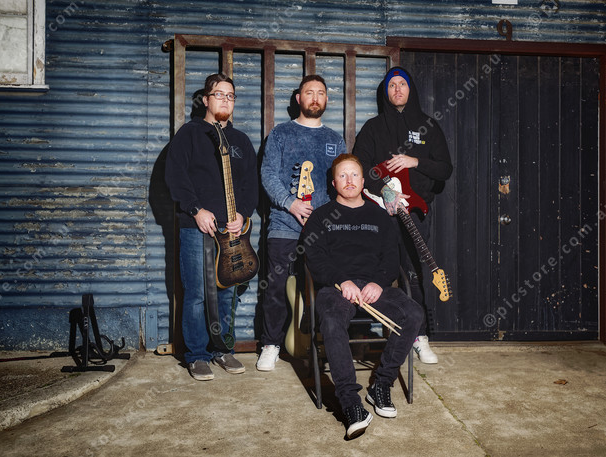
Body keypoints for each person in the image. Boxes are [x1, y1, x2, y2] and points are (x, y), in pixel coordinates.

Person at [303, 154, 423, 439]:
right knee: (332, 321)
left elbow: (392, 258)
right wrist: (340, 280)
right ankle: (351, 404)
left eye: (354, 175)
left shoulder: (379, 216)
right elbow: (314, 257)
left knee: (413, 313)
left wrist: (379, 283)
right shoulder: (321, 217)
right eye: (342, 176)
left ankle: (381, 384)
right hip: (336, 289)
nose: (349, 181)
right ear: (334, 183)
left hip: (373, 287)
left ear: (362, 180)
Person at [353, 66, 453, 364]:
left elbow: (445, 169)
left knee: (414, 274)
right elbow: (359, 167)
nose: (397, 89)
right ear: (386, 91)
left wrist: (414, 161)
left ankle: (419, 337)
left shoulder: (428, 126)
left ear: (411, 89)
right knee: (373, 272)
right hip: (379, 215)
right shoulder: (373, 127)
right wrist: (382, 190)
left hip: (416, 214)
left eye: (402, 84)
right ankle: (364, 337)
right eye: (392, 85)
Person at [165, 73, 258, 381]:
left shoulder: (241, 141)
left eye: (230, 96)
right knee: (196, 294)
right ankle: (197, 355)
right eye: (219, 94)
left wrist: (243, 214)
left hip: (232, 232)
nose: (225, 100)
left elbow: (251, 186)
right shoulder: (189, 134)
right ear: (205, 100)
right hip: (197, 228)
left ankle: (222, 349)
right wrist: (196, 210)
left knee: (227, 292)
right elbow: (175, 177)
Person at [258, 75, 346, 371]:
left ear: (326, 99)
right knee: (275, 286)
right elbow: (268, 174)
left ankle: (323, 342)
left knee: (326, 286)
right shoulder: (281, 133)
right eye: (309, 92)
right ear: (299, 98)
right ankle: (271, 344)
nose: (315, 97)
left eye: (321, 92)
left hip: (323, 229)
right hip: (284, 224)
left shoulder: (335, 139)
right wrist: (290, 203)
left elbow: (342, 182)